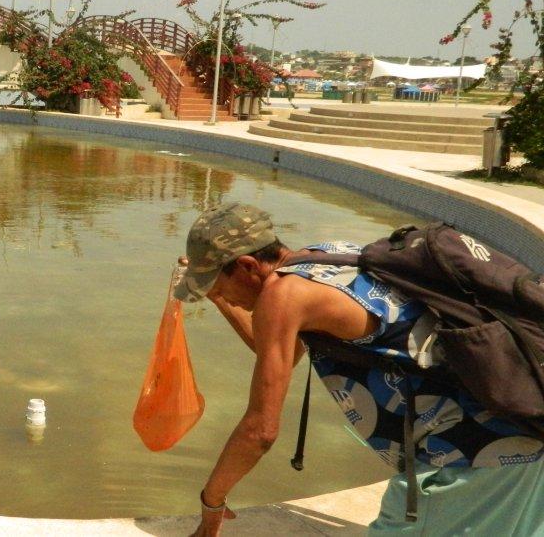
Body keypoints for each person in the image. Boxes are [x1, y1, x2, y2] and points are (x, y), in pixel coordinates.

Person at [176, 202, 544, 536]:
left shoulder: (283, 296)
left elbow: (260, 431)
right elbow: (280, 353)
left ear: (246, 266)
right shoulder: (326, 256)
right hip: (518, 426)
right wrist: (218, 297)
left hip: (475, 455)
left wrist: (212, 501)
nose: (225, 298)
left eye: (221, 287)